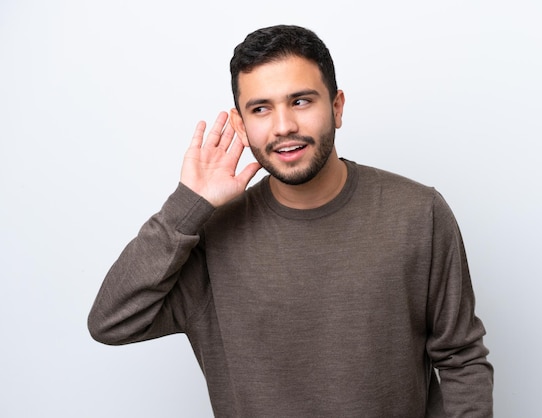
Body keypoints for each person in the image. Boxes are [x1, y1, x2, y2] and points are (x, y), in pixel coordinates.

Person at [88, 24, 494, 417]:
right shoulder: (210, 235)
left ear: (336, 107)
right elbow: (111, 321)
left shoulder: (418, 212)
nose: (284, 126)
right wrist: (187, 206)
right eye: (261, 108)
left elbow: (461, 357)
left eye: (301, 101)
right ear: (241, 125)